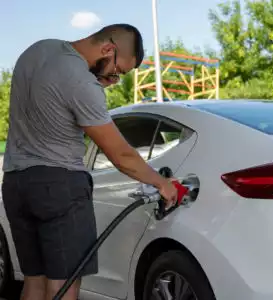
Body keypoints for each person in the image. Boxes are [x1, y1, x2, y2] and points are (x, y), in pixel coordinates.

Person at [1, 24, 178, 300]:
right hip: (59, 187)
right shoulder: (80, 82)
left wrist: (100, 79)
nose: (115, 78)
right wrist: (161, 183)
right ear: (108, 49)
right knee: (64, 286)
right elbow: (121, 155)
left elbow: (51, 103)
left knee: (34, 283)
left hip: (16, 183)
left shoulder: (38, 50)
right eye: (118, 71)